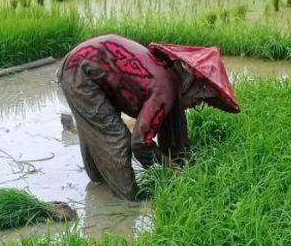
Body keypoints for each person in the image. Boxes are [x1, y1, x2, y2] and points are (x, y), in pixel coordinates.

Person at [58, 34, 240, 201]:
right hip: (80, 73)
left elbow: (168, 119)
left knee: (170, 114)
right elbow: (139, 142)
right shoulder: (164, 89)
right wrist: (170, 169)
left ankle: (99, 181)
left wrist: (178, 161)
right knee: (116, 140)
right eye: (199, 99)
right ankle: (127, 201)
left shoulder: (171, 76)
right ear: (191, 86)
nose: (195, 105)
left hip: (90, 66)